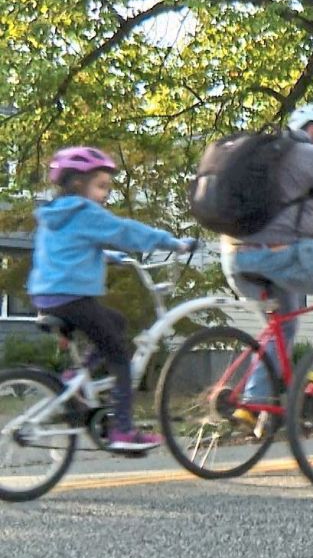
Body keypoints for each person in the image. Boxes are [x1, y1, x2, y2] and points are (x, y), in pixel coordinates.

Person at [26, 147, 194, 452]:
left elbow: (67, 250)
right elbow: (124, 230)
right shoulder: (84, 211)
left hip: (47, 297)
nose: (105, 195)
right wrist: (171, 242)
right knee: (120, 359)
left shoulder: (55, 216)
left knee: (116, 322)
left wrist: (106, 255)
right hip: (74, 297)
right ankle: (123, 430)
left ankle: (75, 377)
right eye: (101, 186)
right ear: (79, 184)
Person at [220, 103, 313, 422]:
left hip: (236, 258)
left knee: (283, 325)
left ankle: (254, 401)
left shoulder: (269, 158)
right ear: (311, 130)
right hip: (282, 252)